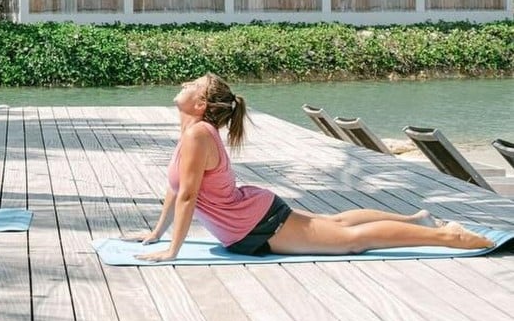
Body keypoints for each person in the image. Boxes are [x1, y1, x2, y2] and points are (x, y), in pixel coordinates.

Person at [131, 73, 493, 261]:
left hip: (254, 224)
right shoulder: (191, 132)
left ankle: (448, 237)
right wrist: (156, 235)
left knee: (351, 241)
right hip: (252, 215)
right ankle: (418, 220)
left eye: (192, 85)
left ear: (201, 104)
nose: (184, 84)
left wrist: (172, 250)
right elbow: (177, 189)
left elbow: (189, 195)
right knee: (335, 223)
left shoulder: (198, 135)